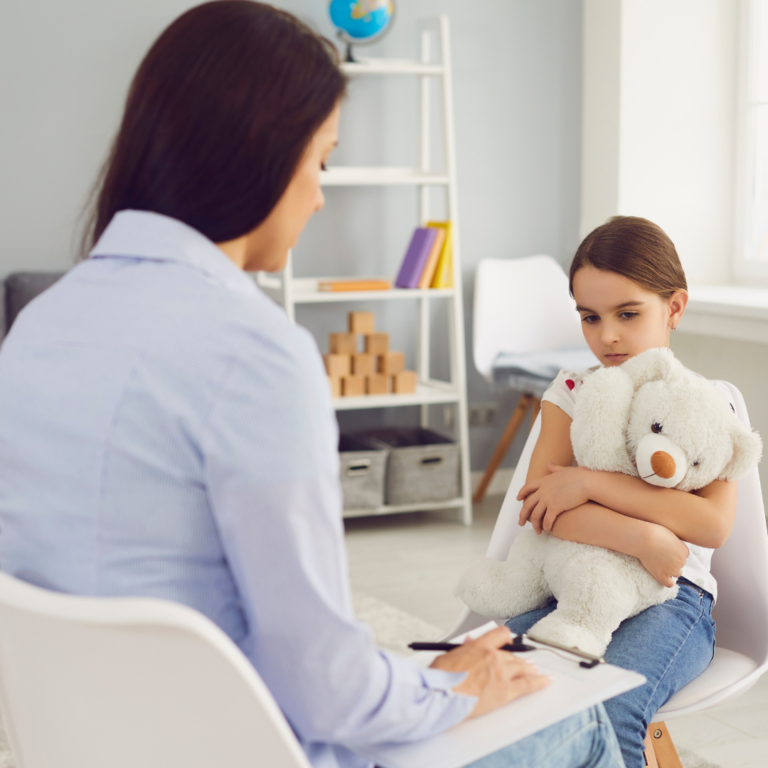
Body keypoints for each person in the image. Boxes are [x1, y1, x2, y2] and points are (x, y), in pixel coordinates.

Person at [0, 3, 624, 766]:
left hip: (88, 742)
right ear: (261, 153)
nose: (321, 194)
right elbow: (329, 692)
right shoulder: (255, 355)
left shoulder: (36, 329)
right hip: (246, 746)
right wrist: (450, 688)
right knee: (576, 715)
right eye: (321, 161)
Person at [508, 215, 734, 768]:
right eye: (590, 316)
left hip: (674, 596)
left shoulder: (704, 402)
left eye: (627, 314)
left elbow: (710, 526)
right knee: (492, 689)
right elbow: (544, 510)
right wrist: (643, 537)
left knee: (609, 707)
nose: (606, 334)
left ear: (674, 308)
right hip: (571, 588)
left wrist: (586, 483)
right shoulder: (568, 392)